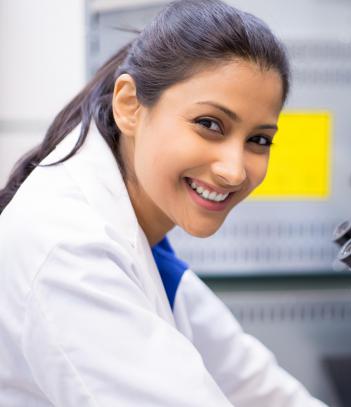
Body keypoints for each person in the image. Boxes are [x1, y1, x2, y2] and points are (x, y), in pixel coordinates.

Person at [0, 1, 328, 406]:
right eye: (209, 124)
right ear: (129, 106)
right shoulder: (69, 248)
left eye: (259, 140)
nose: (234, 170)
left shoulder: (140, 233)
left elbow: (255, 385)